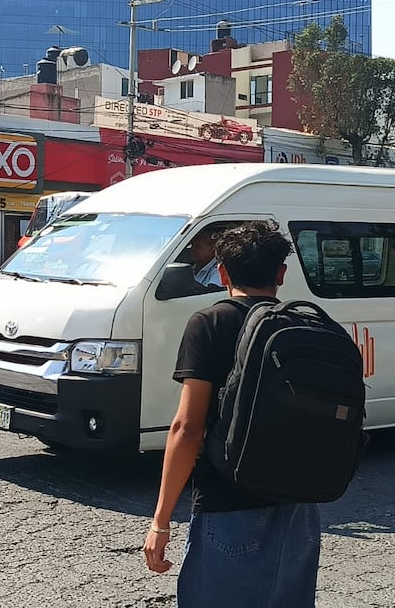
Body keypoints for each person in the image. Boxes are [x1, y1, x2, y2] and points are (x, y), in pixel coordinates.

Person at [144, 220, 321, 607]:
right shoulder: (304, 322)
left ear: (223, 272)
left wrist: (161, 521)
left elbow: (187, 428)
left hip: (230, 503)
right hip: (299, 508)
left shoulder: (210, 323)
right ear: (281, 273)